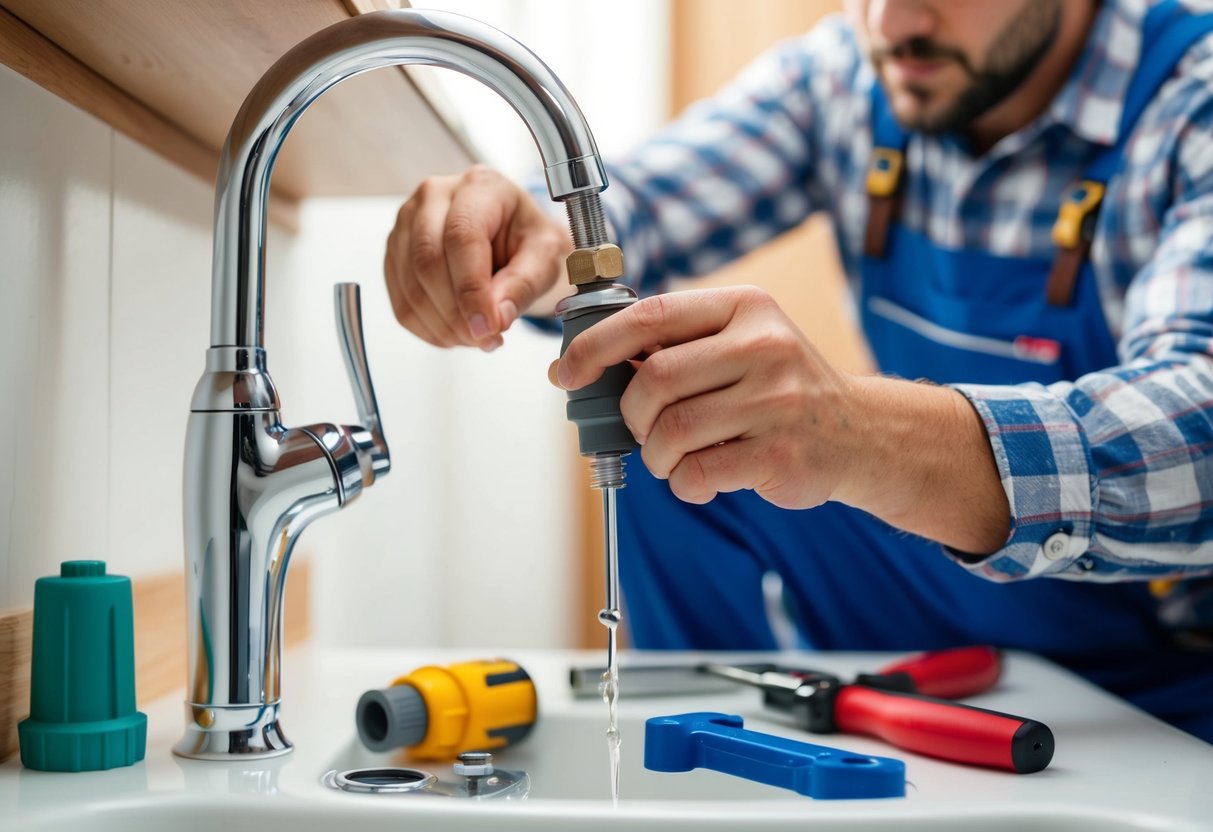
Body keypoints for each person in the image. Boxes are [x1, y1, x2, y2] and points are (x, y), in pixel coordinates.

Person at [384, 0, 1213, 741]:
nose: (891, 23)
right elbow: (639, 204)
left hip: (1168, 647)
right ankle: (707, 767)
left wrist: (864, 436)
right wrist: (523, 238)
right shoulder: (855, 76)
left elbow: (1201, 427)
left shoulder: (1191, 97)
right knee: (681, 422)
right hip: (954, 596)